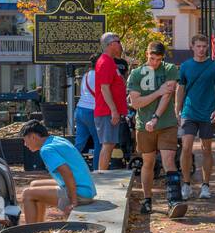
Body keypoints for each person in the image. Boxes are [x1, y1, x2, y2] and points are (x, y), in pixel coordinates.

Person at [127, 41, 186, 218]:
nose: (155, 63)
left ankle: (174, 200)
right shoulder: (136, 74)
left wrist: (156, 117)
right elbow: (136, 103)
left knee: (169, 160)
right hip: (143, 125)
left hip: (166, 123)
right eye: (152, 58)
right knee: (148, 162)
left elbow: (167, 95)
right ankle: (147, 199)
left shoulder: (169, 69)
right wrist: (157, 92)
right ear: (147, 54)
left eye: (158, 59)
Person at [175, 32, 215, 201]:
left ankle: (205, 185)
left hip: (208, 112)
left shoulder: (214, 67)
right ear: (192, 47)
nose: (201, 50)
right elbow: (180, 88)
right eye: (198, 46)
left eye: (204, 47)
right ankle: (187, 184)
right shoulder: (185, 66)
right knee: (187, 147)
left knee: (206, 149)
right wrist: (178, 109)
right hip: (189, 111)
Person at [19, 120, 96, 223]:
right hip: (87, 188)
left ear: (33, 137)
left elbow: (67, 173)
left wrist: (73, 202)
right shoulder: (57, 140)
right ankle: (38, 225)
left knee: (27, 194)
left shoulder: (46, 150)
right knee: (34, 184)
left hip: (80, 194)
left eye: (25, 140)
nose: (25, 144)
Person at [92, 33, 128, 173]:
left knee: (110, 144)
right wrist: (113, 110)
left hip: (109, 111)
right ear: (111, 44)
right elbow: (104, 88)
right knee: (107, 145)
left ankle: (102, 175)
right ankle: (102, 177)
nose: (120, 45)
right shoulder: (105, 61)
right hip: (106, 112)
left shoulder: (110, 61)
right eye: (118, 42)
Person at [74, 63, 99, 165]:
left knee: (79, 143)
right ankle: (98, 169)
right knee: (99, 142)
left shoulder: (86, 75)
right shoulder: (99, 75)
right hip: (92, 110)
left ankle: (68, 165)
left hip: (80, 109)